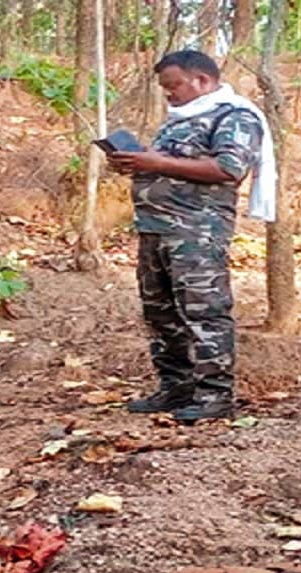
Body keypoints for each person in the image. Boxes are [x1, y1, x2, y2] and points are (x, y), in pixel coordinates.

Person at [111, 50, 275, 423]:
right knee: (161, 313)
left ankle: (215, 395)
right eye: (164, 88)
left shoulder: (234, 115)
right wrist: (138, 162)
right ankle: (176, 386)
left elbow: (229, 168)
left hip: (197, 231)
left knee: (204, 312)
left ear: (201, 80)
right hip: (155, 229)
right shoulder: (180, 119)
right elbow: (174, 164)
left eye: (173, 85)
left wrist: (157, 163)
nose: (168, 94)